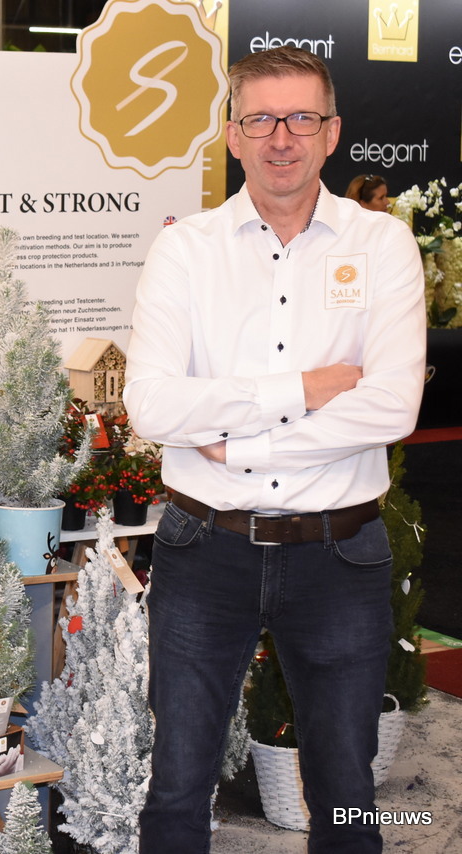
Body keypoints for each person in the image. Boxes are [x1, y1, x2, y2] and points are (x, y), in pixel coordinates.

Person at [123, 46, 425, 854]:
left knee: (348, 792)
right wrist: (305, 388)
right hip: (204, 548)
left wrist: (235, 434)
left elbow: (392, 405)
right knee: (176, 785)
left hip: (339, 555)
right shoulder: (186, 250)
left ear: (332, 133)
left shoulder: (383, 246)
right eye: (260, 119)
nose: (280, 138)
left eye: (300, 118)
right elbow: (151, 403)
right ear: (232, 135)